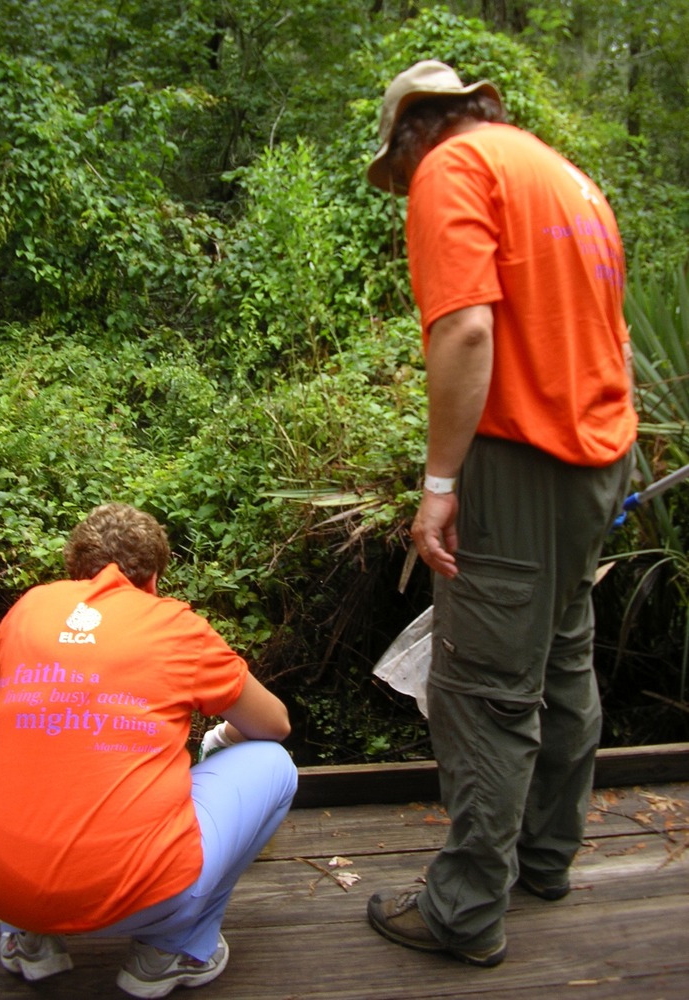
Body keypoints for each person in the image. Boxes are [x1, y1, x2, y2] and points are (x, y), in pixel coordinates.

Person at [364, 61, 637, 967]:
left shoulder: (454, 166)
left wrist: (440, 483)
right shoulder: (565, 177)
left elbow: (467, 329)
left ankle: (464, 912)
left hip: (522, 461)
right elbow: (607, 330)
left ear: (413, 133)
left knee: (483, 686)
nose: (403, 190)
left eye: (395, 173)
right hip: (598, 456)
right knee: (561, 660)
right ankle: (548, 859)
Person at [0, 502, 297, 998]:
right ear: (154, 576)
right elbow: (274, 724)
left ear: (73, 570)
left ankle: (29, 935)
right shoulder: (177, 626)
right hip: (143, 896)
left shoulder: (32, 605)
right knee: (273, 764)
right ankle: (170, 949)